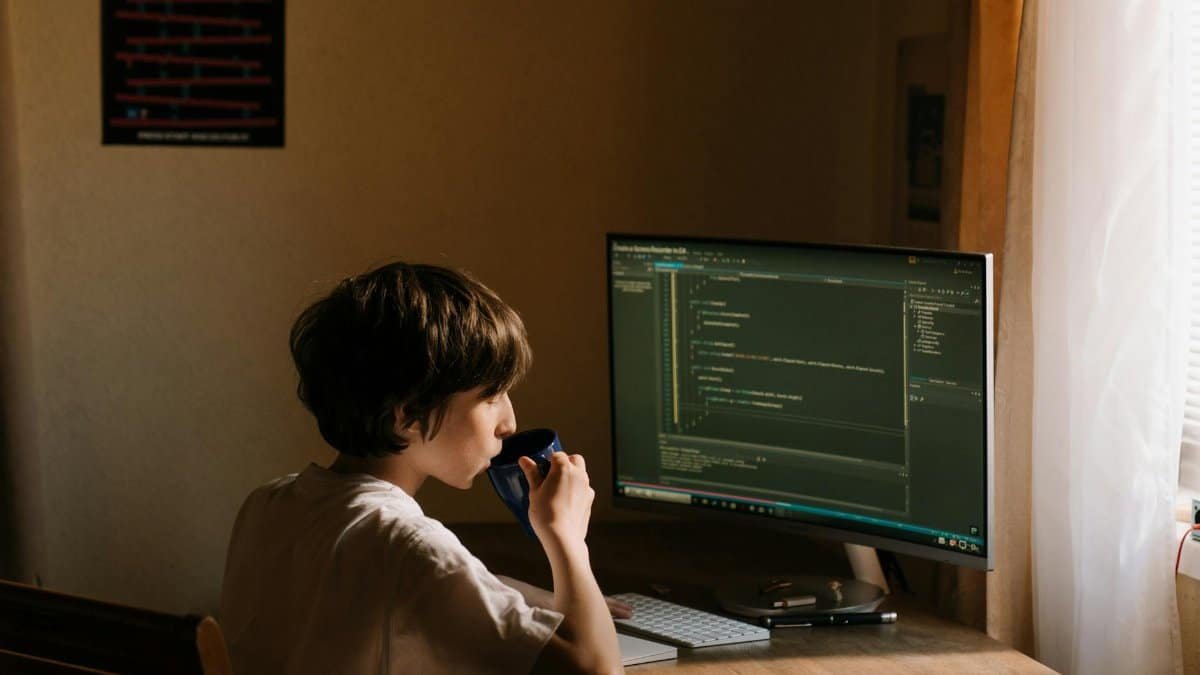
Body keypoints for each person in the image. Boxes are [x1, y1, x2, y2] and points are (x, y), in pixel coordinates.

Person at [221, 261, 626, 674]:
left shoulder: (268, 505)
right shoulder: (409, 547)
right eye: (491, 396)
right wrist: (567, 539)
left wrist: (531, 596)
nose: (510, 422)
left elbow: (392, 578)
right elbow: (595, 670)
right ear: (409, 416)